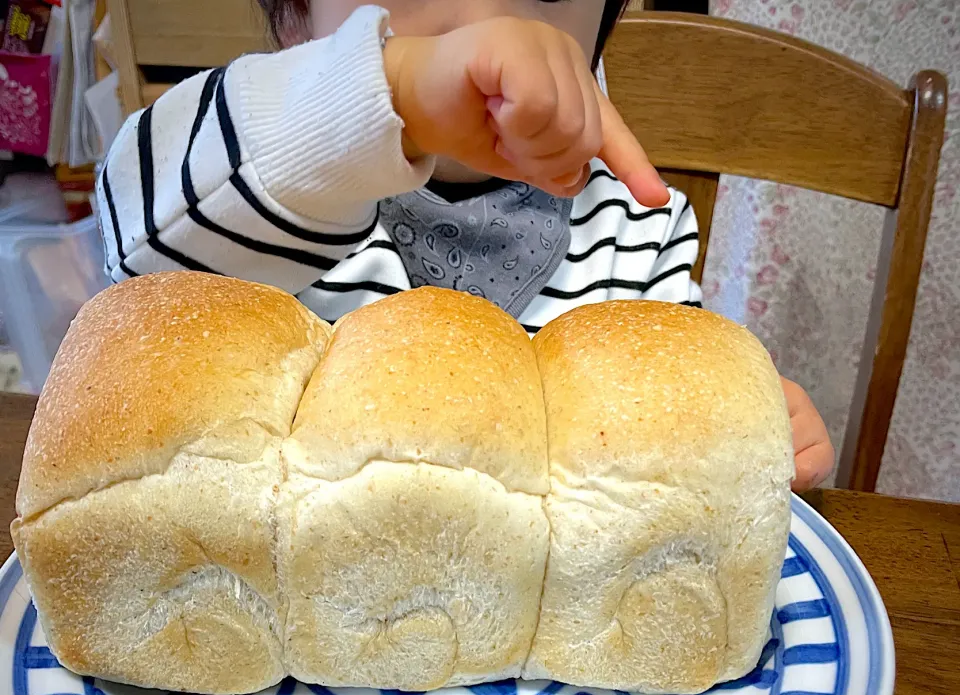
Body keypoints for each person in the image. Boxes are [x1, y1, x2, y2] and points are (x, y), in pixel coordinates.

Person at [96, 0, 834, 489]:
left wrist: (752, 431)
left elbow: (675, 430)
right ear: (295, 21)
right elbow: (134, 252)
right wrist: (387, 92)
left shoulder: (641, 227)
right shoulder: (263, 176)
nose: (488, 26)